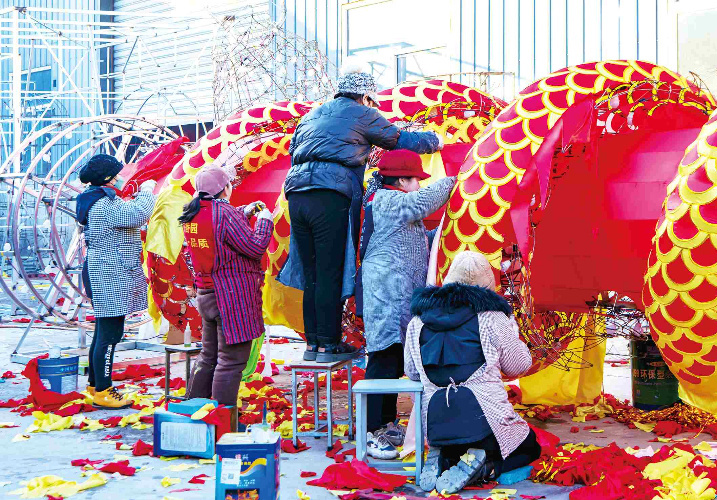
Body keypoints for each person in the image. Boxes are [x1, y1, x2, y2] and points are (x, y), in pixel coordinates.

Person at [279, 59, 443, 363]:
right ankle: (328, 345)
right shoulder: (362, 113)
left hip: (297, 194)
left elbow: (293, 152)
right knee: (329, 270)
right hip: (330, 194)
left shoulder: (311, 115)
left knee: (311, 271)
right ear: (366, 97)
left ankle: (314, 344)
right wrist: (434, 140)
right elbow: (399, 140)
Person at [405, 251, 541, 494]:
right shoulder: (492, 317)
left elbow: (412, 372)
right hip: (485, 424)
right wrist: (512, 329)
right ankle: (486, 466)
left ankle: (445, 458)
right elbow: (519, 365)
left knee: (453, 441)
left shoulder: (418, 321)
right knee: (530, 447)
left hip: (437, 425)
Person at [358, 149, 456, 459]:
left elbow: (417, 239)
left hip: (397, 296)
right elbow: (423, 201)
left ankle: (385, 423)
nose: (419, 185)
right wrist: (459, 179)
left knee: (393, 360)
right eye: (416, 180)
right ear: (402, 181)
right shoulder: (388, 201)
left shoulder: (394, 205)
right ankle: (369, 431)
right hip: (386, 296)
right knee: (383, 358)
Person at [179, 166, 274, 407]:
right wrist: (264, 221)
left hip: (206, 294)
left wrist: (244, 211)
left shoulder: (193, 211)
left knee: (208, 357)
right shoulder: (224, 213)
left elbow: (218, 230)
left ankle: (194, 409)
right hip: (230, 297)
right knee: (231, 361)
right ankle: (222, 418)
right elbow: (254, 247)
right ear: (225, 188)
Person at [76, 153, 157, 409]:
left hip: (104, 272)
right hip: (109, 275)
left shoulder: (95, 200)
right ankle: (104, 390)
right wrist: (147, 191)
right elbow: (138, 214)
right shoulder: (104, 205)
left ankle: (94, 384)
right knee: (111, 334)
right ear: (108, 179)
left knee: (103, 331)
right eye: (118, 174)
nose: (122, 177)